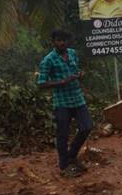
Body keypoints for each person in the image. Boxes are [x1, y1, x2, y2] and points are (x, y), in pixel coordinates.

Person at [37, 29, 93, 178]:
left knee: (87, 127)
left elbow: (77, 71)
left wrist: (80, 75)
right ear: (53, 42)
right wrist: (62, 82)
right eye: (58, 40)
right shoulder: (48, 60)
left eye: (64, 40)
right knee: (62, 134)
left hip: (77, 98)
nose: (61, 43)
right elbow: (41, 83)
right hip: (62, 102)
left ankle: (72, 156)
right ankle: (64, 166)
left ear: (67, 41)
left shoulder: (73, 53)